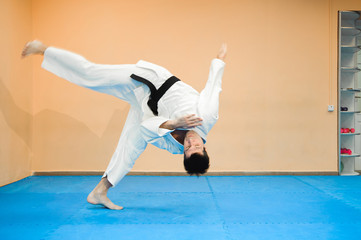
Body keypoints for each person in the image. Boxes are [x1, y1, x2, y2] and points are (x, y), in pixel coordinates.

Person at [21, 41, 227, 210]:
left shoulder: (174, 146)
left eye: (188, 149)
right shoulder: (206, 116)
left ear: (183, 154)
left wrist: (174, 123)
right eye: (196, 146)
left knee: (132, 146)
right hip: (151, 82)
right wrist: (220, 59)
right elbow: (213, 86)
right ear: (205, 147)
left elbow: (146, 129)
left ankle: (100, 191)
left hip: (148, 110)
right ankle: (44, 50)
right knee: (92, 74)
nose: (190, 143)